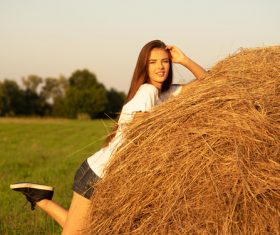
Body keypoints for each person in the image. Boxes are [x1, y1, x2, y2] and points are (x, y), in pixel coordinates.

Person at [10, 40, 206, 234]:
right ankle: (41, 199)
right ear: (144, 66)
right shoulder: (147, 92)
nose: (160, 67)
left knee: (83, 230)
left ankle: (40, 198)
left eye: (164, 61)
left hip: (110, 179)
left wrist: (184, 59)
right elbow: (143, 131)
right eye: (153, 62)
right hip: (97, 175)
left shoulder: (167, 93)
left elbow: (209, 83)